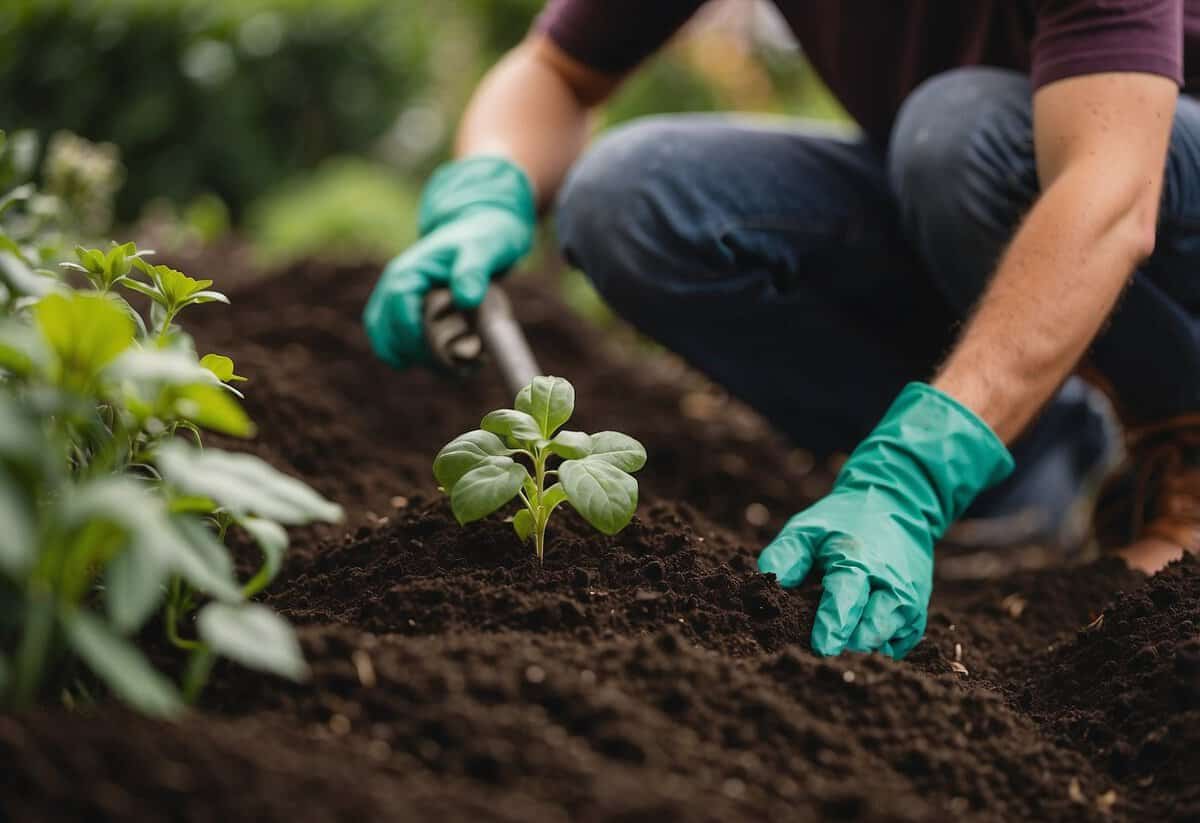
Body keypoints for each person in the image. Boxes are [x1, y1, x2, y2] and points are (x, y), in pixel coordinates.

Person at [364, 1, 1200, 659]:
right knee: (634, 200)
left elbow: (1108, 191)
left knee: (959, 136)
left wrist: (912, 470)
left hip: (1138, 178)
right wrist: (485, 190)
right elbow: (553, 71)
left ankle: (1182, 456)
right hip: (974, 195)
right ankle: (1023, 471)